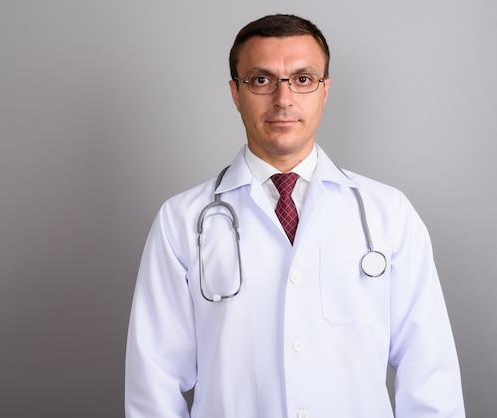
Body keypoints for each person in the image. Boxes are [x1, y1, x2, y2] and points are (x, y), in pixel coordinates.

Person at [125, 14, 465, 418]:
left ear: (325, 91)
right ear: (235, 93)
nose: (283, 99)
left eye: (303, 79)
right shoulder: (181, 220)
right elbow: (154, 382)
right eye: (261, 80)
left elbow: (429, 372)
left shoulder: (388, 214)